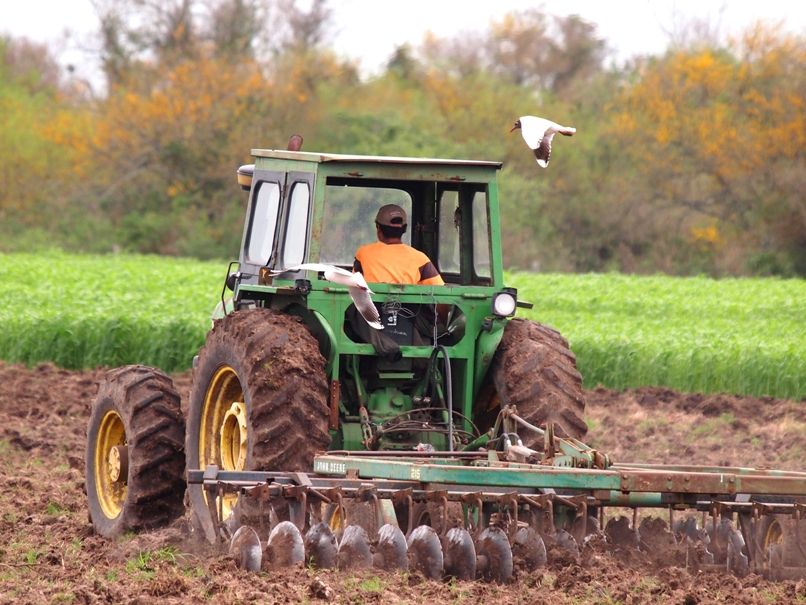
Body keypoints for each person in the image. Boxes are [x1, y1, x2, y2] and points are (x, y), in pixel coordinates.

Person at [353, 204, 444, 286]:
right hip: (408, 305)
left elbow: (353, 285)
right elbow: (442, 293)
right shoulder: (420, 258)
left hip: (371, 305)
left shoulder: (364, 253)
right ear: (404, 229)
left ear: (378, 227)